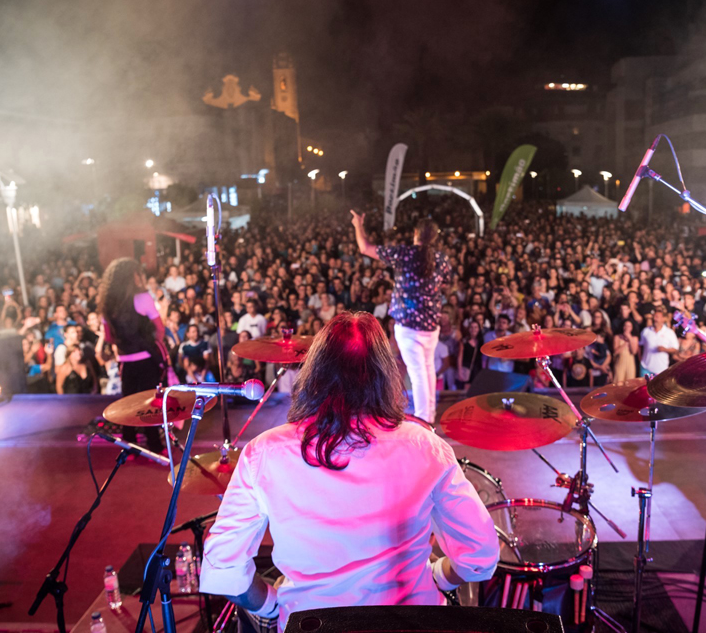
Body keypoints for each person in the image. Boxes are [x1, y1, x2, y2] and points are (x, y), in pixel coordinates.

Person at [200, 313, 498, 632]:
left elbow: (224, 569)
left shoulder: (265, 451)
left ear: (314, 372)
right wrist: (437, 574)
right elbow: (480, 556)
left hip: (309, 624)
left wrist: (271, 605)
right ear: (385, 374)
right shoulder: (425, 446)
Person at [350, 212, 451, 424]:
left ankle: (425, 418)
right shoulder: (441, 258)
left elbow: (365, 248)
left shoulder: (403, 253)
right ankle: (429, 412)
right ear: (434, 237)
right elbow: (445, 285)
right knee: (427, 368)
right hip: (431, 324)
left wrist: (358, 225)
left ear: (416, 234)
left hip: (408, 324)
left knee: (418, 372)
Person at [100, 258, 167, 454]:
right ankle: (154, 446)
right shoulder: (143, 298)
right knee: (149, 403)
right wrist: (152, 343)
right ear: (133, 277)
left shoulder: (107, 305)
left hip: (125, 361)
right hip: (146, 358)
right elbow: (160, 329)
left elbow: (109, 337)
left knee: (128, 405)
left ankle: (128, 448)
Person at [638, 309, 679, 377]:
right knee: (644, 387)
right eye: (654, 316)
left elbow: (675, 349)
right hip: (645, 368)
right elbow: (640, 346)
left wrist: (665, 349)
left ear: (663, 319)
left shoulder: (669, 332)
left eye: (657, 317)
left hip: (661, 370)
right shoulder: (646, 331)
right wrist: (640, 360)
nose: (654, 319)